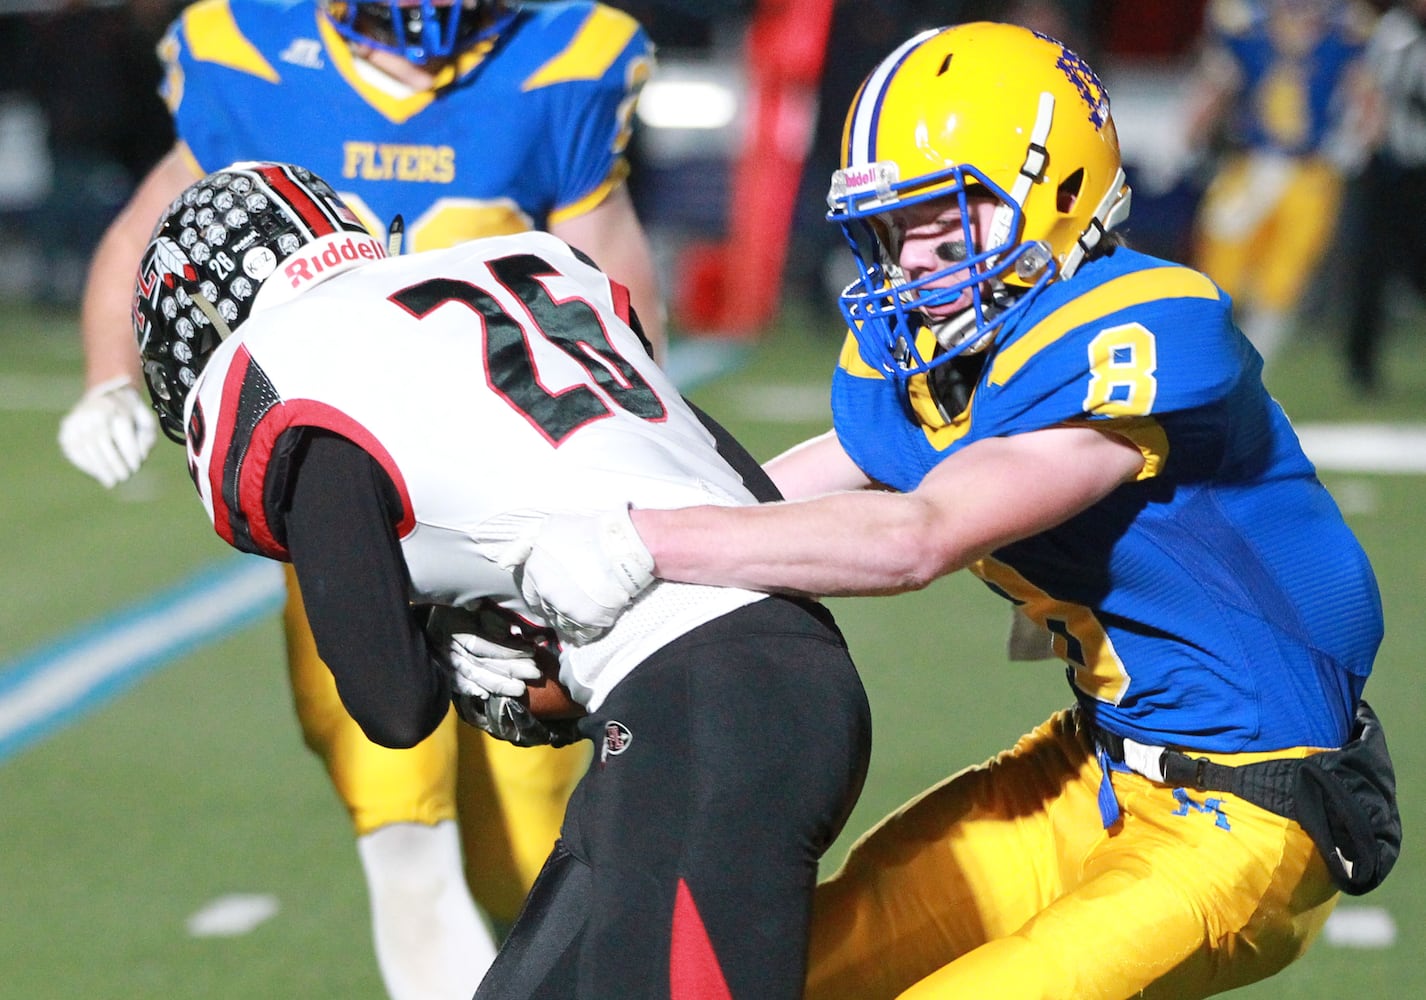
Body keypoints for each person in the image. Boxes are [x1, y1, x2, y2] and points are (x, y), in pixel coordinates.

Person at [476, 22, 1400, 999]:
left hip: (1248, 809)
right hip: (1087, 776)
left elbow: (918, 535)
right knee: (773, 976)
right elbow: (765, 497)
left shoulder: (1140, 325)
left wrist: (641, 545)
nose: (910, 262)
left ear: (1056, 197)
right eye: (889, 227)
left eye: (943, 223)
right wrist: (535, 589)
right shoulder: (941, 355)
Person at [132, 159, 870, 999]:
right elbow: (746, 501)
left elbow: (393, 702)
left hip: (699, 722)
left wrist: (455, 650)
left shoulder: (289, 366)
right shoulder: (526, 268)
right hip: (765, 684)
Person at [56, 2, 662, 997]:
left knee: (536, 854)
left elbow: (611, 273)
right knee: (405, 842)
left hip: (512, 509)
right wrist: (104, 377)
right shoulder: (250, 55)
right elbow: (147, 236)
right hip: (349, 497)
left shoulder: (560, 59)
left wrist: (622, 449)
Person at [1183, 0, 1377, 363]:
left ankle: (1252, 365)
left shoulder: (1344, 31)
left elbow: (1363, 91)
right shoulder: (1244, 29)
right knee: (1219, 268)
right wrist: (1197, 123)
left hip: (1310, 171)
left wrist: (1364, 136)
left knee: (1283, 280)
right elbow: (1217, 82)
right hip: (1251, 164)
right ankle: (1206, 356)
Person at [1343, 0, 1426, 393]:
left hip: (1416, 170)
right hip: (1389, 169)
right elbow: (1369, 89)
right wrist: (1366, 140)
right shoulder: (1396, 31)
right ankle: (1362, 367)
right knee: (1370, 270)